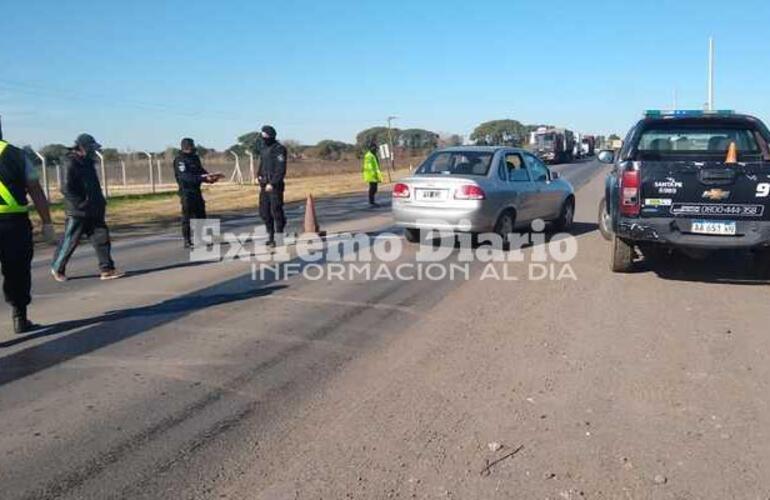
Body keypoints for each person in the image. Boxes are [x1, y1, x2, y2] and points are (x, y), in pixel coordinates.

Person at [0, 136, 56, 333]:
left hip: (14, 223)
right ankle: (20, 316)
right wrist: (47, 222)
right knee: (17, 270)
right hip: (14, 224)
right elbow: (35, 189)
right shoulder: (16, 154)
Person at [51, 134, 124, 282]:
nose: (93, 151)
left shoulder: (88, 163)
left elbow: (93, 186)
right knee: (70, 241)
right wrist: (80, 203)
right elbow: (66, 188)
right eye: (91, 148)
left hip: (94, 209)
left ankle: (107, 269)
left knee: (102, 239)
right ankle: (57, 268)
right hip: (78, 211)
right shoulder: (70, 162)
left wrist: (100, 202)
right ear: (82, 147)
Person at [173, 138, 222, 248]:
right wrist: (202, 178)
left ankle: (200, 238)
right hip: (186, 191)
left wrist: (210, 177)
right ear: (185, 147)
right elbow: (185, 177)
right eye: (191, 146)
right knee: (187, 216)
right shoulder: (180, 160)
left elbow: (200, 171)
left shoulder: (195, 158)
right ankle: (187, 240)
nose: (193, 148)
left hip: (196, 190)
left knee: (200, 215)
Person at [257, 125, 287, 247]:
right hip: (264, 185)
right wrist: (258, 176)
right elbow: (262, 164)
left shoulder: (279, 149)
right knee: (264, 212)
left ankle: (279, 236)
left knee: (276, 211)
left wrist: (273, 183)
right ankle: (271, 235)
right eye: (262, 135)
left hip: (275, 186)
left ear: (271, 136)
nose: (263, 137)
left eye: (265, 135)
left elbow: (281, 169)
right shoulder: (263, 148)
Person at [362, 140, 384, 207]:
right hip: (370, 174)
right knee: (373, 188)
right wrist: (373, 174)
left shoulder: (373, 154)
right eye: (374, 148)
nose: (375, 149)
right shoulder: (368, 155)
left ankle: (372, 201)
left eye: (376, 148)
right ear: (371, 148)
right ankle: (371, 201)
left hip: (374, 173)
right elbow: (369, 166)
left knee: (375, 188)